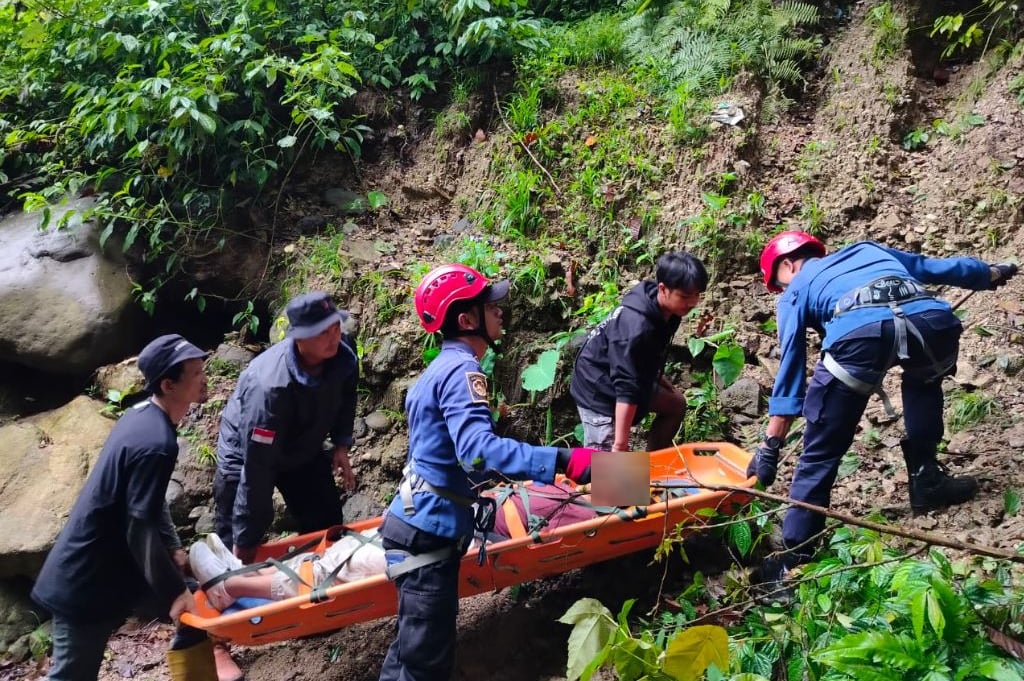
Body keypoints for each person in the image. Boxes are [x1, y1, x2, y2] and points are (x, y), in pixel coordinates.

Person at [750, 230, 1018, 581]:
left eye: (779, 284)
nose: (782, 291)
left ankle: (793, 562)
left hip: (860, 336)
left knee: (821, 450)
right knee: (924, 380)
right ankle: (927, 480)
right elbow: (930, 267)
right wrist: (989, 273)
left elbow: (791, 365)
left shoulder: (796, 290)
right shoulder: (866, 249)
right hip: (932, 324)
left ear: (788, 265)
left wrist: (771, 445)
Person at [378, 263, 596, 681]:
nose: (500, 312)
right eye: (490, 305)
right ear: (466, 319)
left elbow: (447, 454)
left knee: (411, 652)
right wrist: (564, 461)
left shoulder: (437, 371)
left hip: (417, 519)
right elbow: (477, 451)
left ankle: (637, 481)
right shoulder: (463, 371)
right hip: (427, 532)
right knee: (425, 664)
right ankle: (641, 483)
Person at [31, 334, 217, 681]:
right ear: (168, 384)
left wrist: (174, 548)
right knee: (72, 675)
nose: (204, 377)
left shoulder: (142, 416)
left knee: (196, 606)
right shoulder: (156, 442)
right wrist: (174, 593)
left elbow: (148, 501)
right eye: (195, 373)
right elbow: (138, 526)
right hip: (86, 580)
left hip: (122, 569)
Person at [188, 481, 598, 611]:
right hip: (457, 520)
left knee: (350, 564)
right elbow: (631, 474)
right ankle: (250, 574)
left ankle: (235, 587)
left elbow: (526, 543)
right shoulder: (582, 482)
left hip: (463, 540)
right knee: (350, 548)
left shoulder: (592, 510)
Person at [214, 291, 359, 564]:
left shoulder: (343, 351)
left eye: (335, 327)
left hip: (302, 442)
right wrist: (246, 541)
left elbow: (347, 393)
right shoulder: (269, 387)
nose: (333, 337)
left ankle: (321, 589)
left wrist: (341, 443)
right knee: (234, 548)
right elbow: (257, 470)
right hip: (246, 453)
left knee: (327, 526)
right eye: (322, 332)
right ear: (299, 337)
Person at [570, 251, 709, 452]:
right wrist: (620, 444)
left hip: (628, 376)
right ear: (663, 289)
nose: (693, 302)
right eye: (686, 296)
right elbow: (627, 387)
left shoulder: (669, 309)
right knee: (613, 473)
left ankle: (653, 465)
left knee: (674, 403)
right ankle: (616, 477)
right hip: (599, 388)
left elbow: (646, 356)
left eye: (697, 295)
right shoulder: (636, 327)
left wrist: (660, 381)